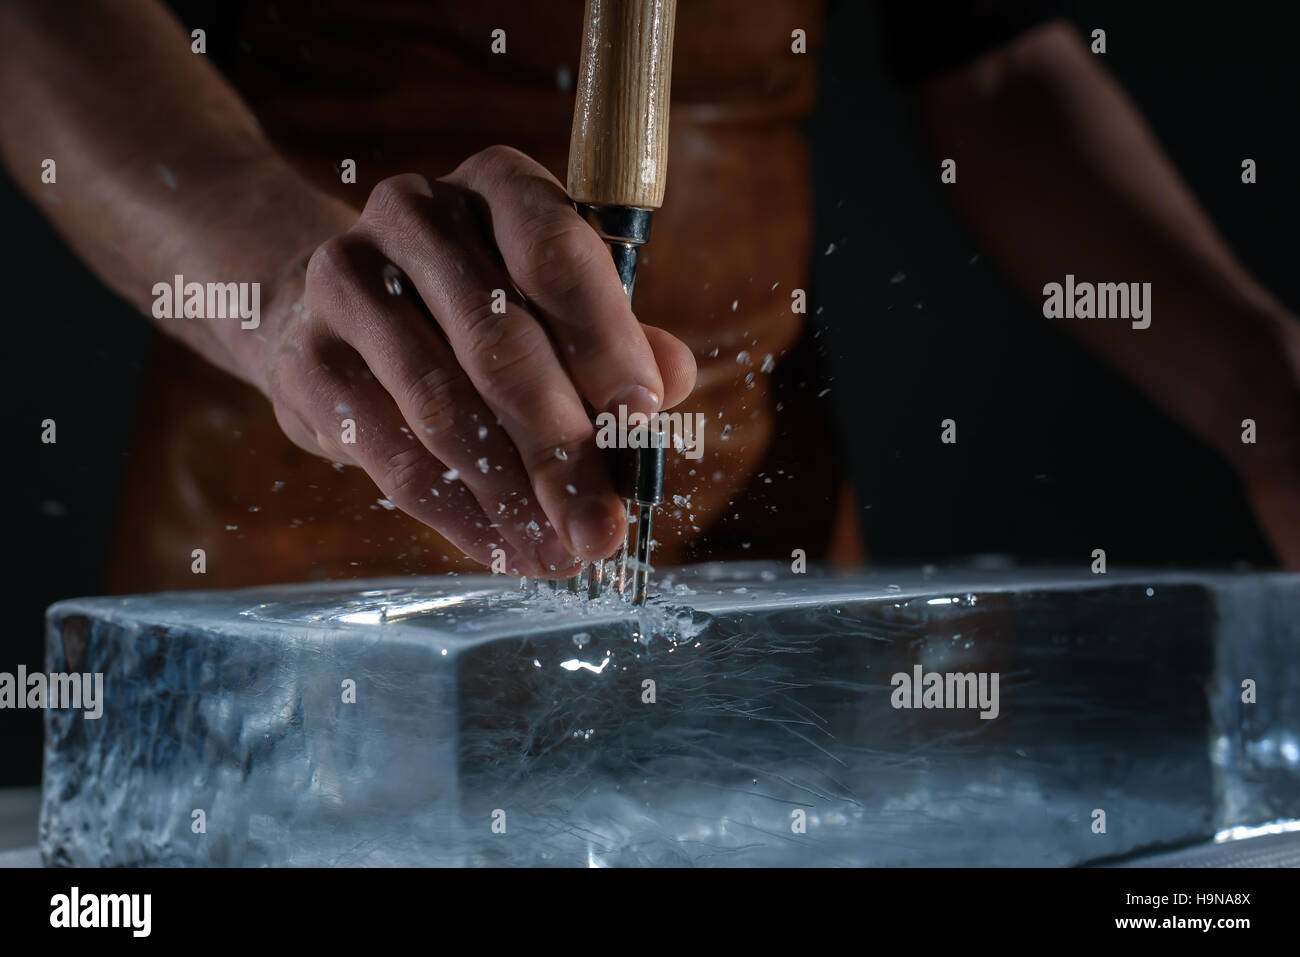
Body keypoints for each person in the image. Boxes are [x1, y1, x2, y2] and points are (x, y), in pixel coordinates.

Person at [2, 0, 1296, 592]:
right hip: (301, 533)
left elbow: (993, 62)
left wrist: (1263, 388)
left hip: (752, 528)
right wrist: (289, 290)